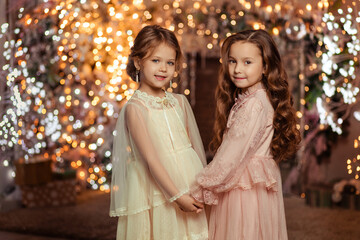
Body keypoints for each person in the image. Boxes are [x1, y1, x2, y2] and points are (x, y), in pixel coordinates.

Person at [191, 29, 301, 240]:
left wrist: (200, 189)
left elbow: (230, 157)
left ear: (266, 66)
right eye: (232, 61)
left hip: (243, 190)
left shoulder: (254, 105)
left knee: (242, 232)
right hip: (251, 187)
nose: (237, 69)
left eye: (247, 62)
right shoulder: (252, 98)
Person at [110, 25, 208, 240]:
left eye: (169, 63)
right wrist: (177, 196)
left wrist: (203, 184)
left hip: (188, 179)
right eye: (155, 61)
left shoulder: (180, 103)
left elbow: (195, 150)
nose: (163, 69)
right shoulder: (136, 108)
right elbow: (152, 160)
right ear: (138, 62)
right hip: (155, 189)